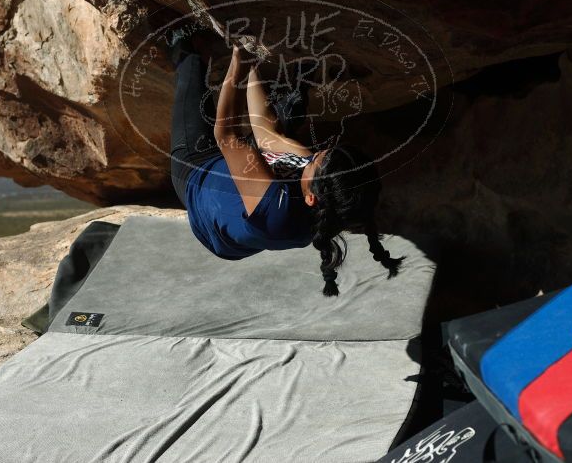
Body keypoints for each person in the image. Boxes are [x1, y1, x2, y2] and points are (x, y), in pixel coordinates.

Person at [168, 33, 404, 296]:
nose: (312, 154)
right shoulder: (324, 197)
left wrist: (239, 64)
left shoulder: (277, 212)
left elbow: (227, 137)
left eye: (315, 160)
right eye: (322, 152)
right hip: (251, 181)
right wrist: (254, 64)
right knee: (285, 118)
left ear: (312, 198)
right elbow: (266, 134)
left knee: (191, 71)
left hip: (198, 177)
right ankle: (293, 97)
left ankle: (178, 44)